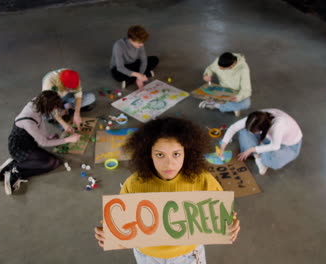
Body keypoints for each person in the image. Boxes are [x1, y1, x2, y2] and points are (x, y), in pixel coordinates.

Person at [94, 117, 240, 264]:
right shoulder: (134, 184)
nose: (169, 163)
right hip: (147, 256)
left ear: (187, 152)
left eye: (176, 154)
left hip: (188, 255)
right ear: (148, 154)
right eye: (160, 155)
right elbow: (121, 220)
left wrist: (230, 224)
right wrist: (107, 233)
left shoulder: (203, 179)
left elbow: (221, 213)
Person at [0, 91, 81, 195]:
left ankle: (16, 165)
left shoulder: (38, 102)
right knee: (50, 163)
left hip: (30, 142)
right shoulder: (28, 121)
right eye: (53, 108)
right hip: (19, 147)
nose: (55, 111)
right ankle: (15, 169)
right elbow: (43, 143)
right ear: (46, 107)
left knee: (56, 162)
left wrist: (47, 136)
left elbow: (39, 122)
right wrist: (68, 139)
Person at [220, 109, 302, 175]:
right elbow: (234, 127)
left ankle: (260, 152)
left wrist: (251, 149)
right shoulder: (257, 117)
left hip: (287, 145)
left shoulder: (278, 126)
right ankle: (258, 157)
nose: (252, 133)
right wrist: (223, 146)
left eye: (254, 131)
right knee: (244, 131)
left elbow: (275, 146)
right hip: (268, 136)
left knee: (273, 160)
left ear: (263, 129)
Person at [199, 52, 252, 117]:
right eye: (219, 66)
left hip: (236, 92)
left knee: (246, 104)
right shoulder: (221, 60)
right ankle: (230, 106)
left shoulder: (243, 69)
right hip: (222, 89)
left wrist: (237, 98)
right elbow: (210, 68)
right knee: (204, 91)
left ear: (231, 66)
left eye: (222, 68)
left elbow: (246, 90)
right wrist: (207, 74)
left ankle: (215, 105)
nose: (219, 68)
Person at [110, 25, 159, 90]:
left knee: (154, 60)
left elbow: (144, 60)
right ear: (130, 39)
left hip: (132, 64)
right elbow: (120, 67)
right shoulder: (118, 45)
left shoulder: (140, 44)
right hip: (119, 68)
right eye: (139, 42)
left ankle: (131, 79)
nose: (142, 45)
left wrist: (140, 76)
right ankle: (146, 73)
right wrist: (138, 75)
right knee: (118, 76)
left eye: (142, 42)